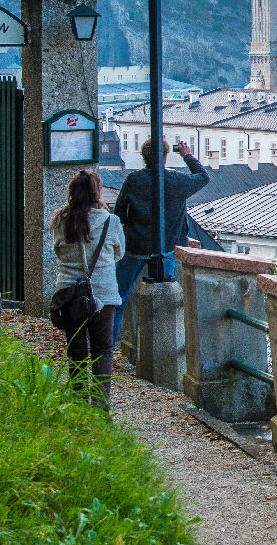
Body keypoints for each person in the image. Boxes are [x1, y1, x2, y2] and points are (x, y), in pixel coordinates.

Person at [111, 137, 211, 342]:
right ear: (166, 156)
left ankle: (107, 345)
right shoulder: (177, 181)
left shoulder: (134, 180)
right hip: (167, 246)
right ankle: (167, 342)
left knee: (117, 298)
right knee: (167, 298)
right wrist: (187, 156)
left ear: (143, 157)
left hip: (135, 246)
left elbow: (119, 213)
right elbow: (203, 177)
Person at [51, 169, 124, 410]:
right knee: (103, 350)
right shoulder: (110, 221)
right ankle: (101, 407)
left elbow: (58, 251)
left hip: (70, 294)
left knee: (77, 350)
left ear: (71, 193)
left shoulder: (60, 220)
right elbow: (119, 253)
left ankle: (80, 403)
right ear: (97, 192)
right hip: (103, 294)